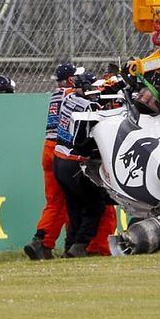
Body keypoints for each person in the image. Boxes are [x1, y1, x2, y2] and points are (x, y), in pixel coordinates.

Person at [52, 72, 111, 258]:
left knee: (74, 206)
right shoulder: (90, 106)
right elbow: (88, 138)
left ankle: (70, 245)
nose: (96, 91)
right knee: (95, 204)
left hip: (59, 161)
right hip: (74, 164)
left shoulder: (69, 98)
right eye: (93, 88)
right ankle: (81, 244)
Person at [23, 63, 78, 260]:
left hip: (48, 147)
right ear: (71, 80)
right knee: (72, 200)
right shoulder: (70, 94)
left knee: (55, 201)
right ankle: (62, 243)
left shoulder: (55, 95)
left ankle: (43, 242)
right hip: (61, 149)